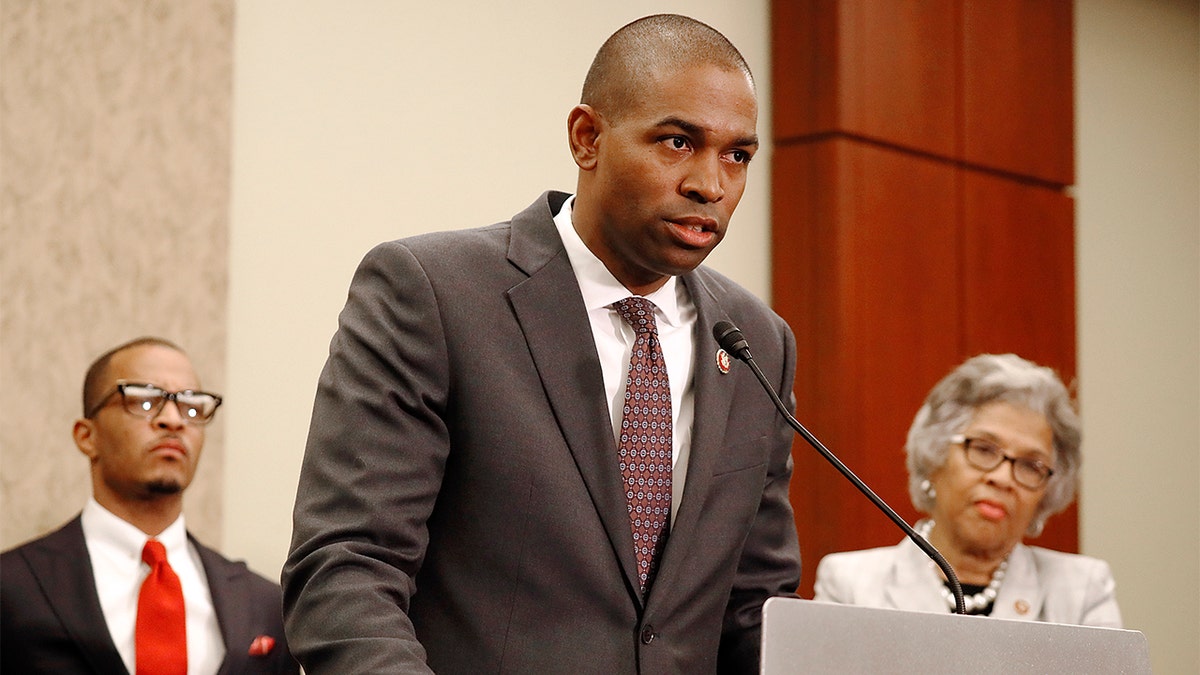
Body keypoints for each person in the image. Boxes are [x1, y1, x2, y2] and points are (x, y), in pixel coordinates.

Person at [282, 13, 801, 673]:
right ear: (587, 138)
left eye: (738, 154)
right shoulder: (434, 294)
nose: (711, 184)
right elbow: (347, 568)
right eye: (677, 142)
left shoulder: (758, 342)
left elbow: (754, 604)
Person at [1, 336, 299, 674]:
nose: (173, 420)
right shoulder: (12, 587)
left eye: (192, 406)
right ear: (88, 436)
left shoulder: (265, 605)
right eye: (144, 400)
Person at [813, 353, 1121, 627]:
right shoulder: (850, 586)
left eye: (1031, 466)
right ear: (935, 456)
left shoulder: (1083, 591)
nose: (1003, 478)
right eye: (984, 449)